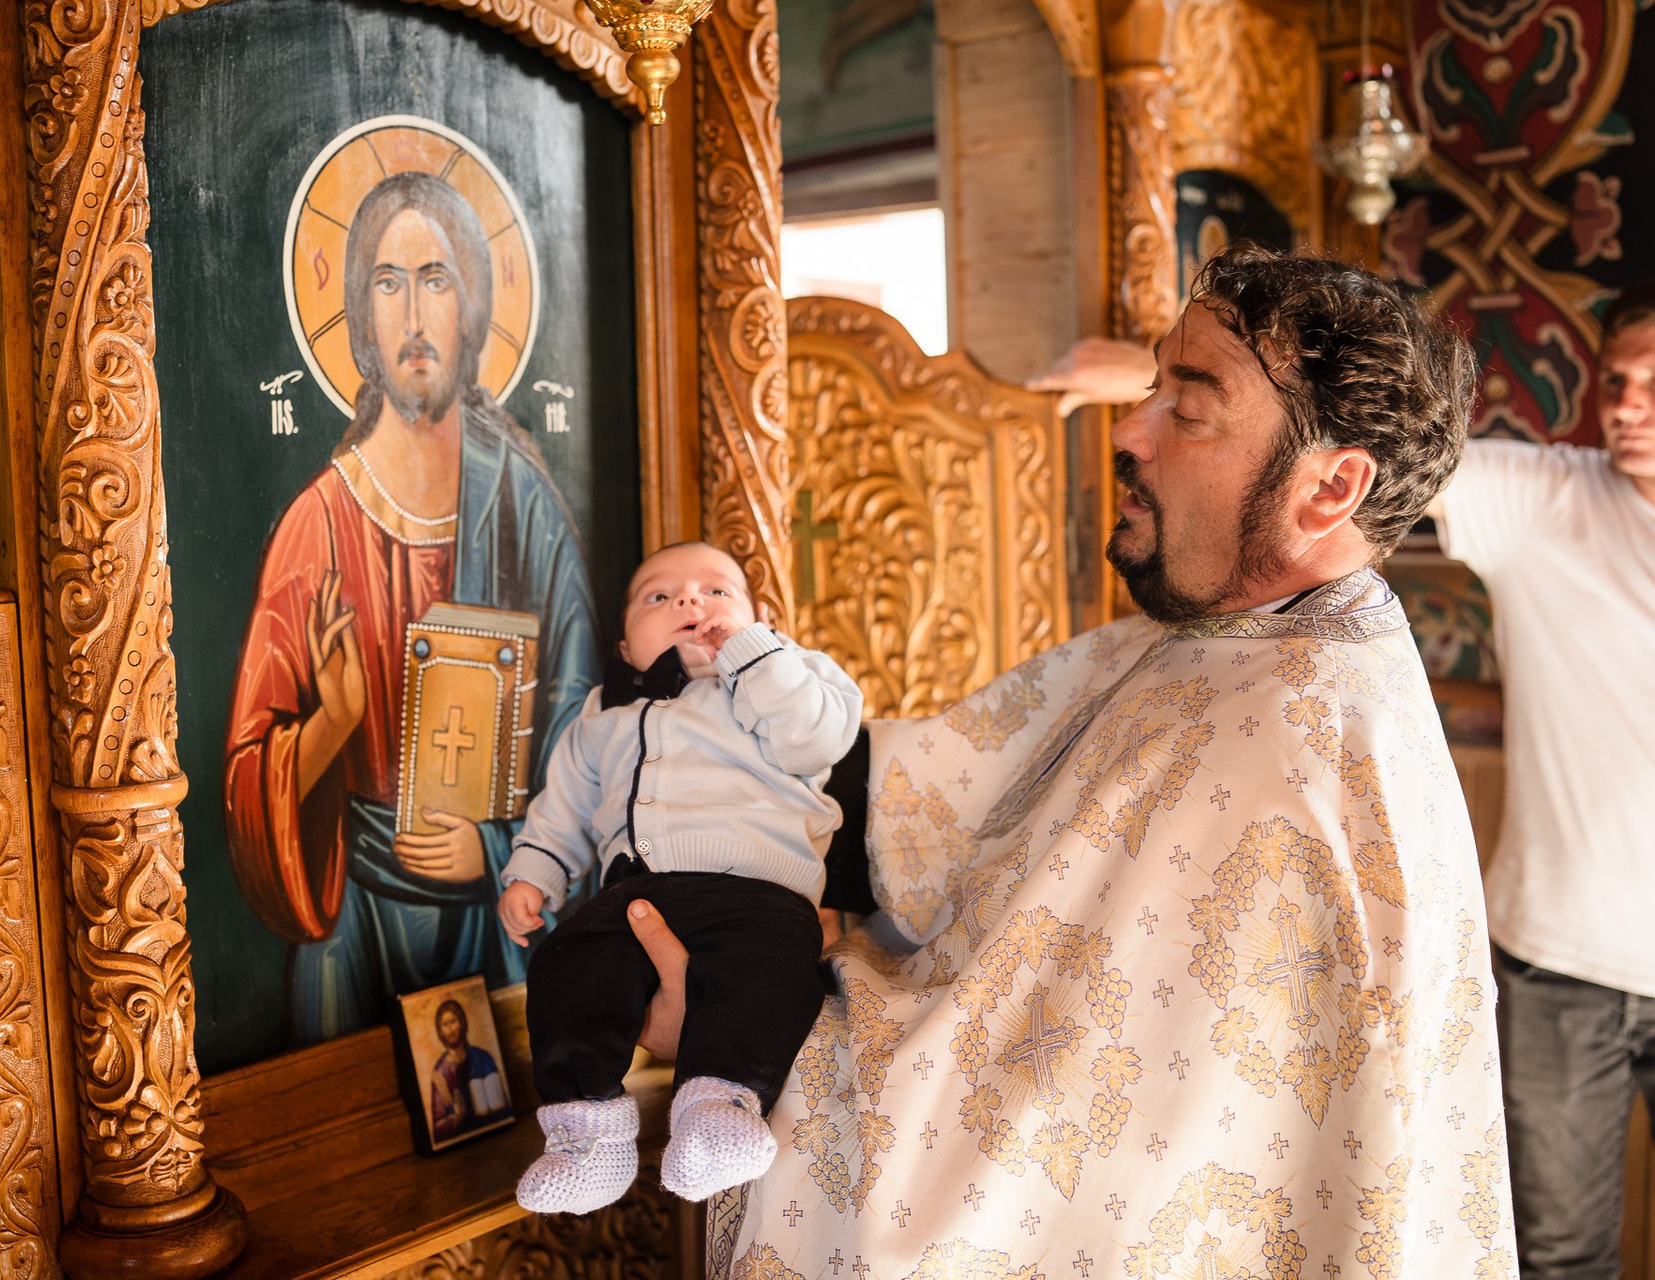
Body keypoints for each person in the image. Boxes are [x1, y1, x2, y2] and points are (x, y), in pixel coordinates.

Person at [640, 245, 1519, 1277]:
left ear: (1330, 488)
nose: (1129, 430)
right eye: (1152, 386)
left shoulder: (1289, 752)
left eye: (1190, 409)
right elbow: (925, 805)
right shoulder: (1234, 635)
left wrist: (735, 1032)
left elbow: (1030, 1174)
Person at [224, 170, 601, 1043]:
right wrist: (334, 722)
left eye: (436, 279)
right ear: (361, 318)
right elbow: (247, 782)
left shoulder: (525, 506)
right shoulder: (317, 526)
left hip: (500, 913)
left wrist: (501, 847)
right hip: (357, 924)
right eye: (389, 284)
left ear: (472, 308)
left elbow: (585, 723)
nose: (415, 315)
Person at [496, 541, 863, 1214]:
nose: (690, 601)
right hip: (631, 895)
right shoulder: (600, 717)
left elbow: (816, 739)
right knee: (567, 965)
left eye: (716, 591)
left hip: (755, 890)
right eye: (659, 597)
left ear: (762, 621)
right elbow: (564, 810)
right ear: (625, 646)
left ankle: (716, 1107)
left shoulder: (789, 677)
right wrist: (534, 874)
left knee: (767, 970)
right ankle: (587, 1131)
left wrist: (751, 654)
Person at [1425, 279, 1655, 1280]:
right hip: (1559, 960)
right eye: (1617, 381)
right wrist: (1167, 379)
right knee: (1562, 1258)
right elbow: (1363, 435)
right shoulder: (1542, 499)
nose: (1627, 405)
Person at [426, 997, 508, 1144]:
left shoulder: (483, 1057)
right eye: (445, 1024)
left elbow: (503, 1107)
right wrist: (456, 1117)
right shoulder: (440, 1073)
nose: (450, 1029)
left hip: (496, 1133)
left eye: (453, 1022)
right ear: (440, 1031)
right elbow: (438, 1128)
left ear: (461, 1023)